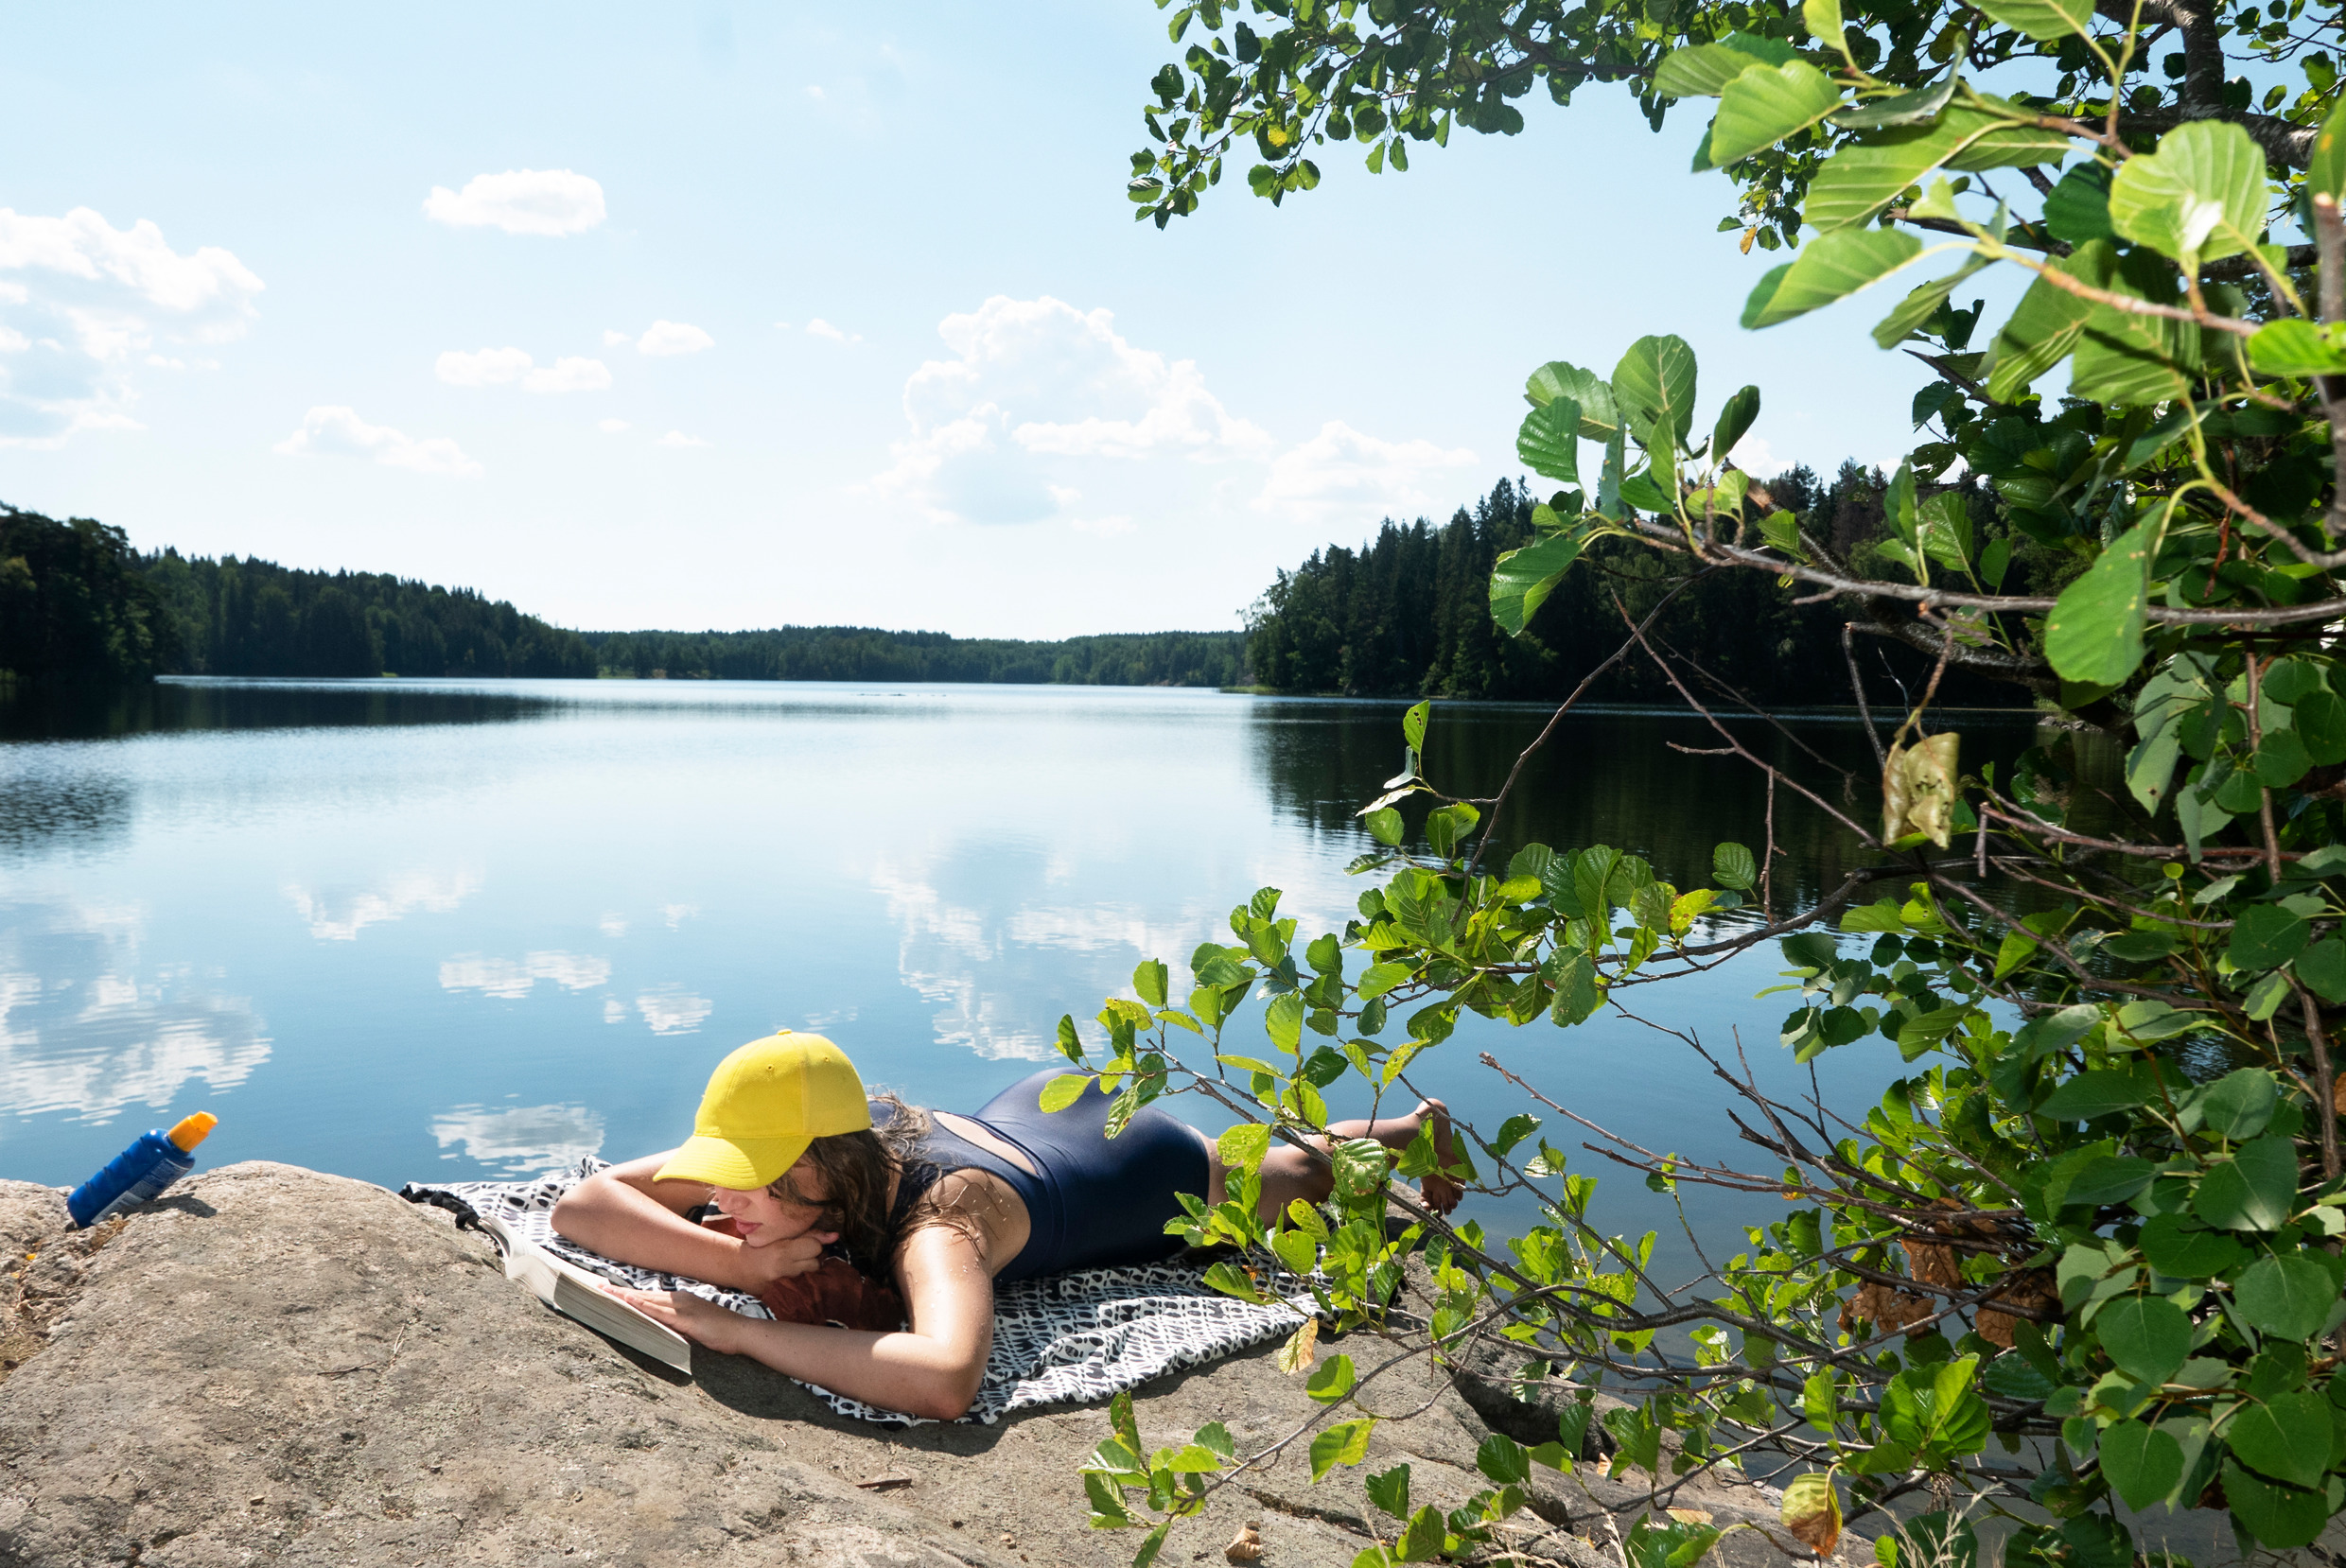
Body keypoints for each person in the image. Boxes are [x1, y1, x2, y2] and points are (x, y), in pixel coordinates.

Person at [550, 1029, 1460, 1420]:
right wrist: (735, 1264)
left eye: (740, 1185)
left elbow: (947, 1377)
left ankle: (1416, 1127)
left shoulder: (941, 1229)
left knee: (1285, 1173)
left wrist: (730, 1332)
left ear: (812, 1170)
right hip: (1021, 1113)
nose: (719, 1198)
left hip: (1129, 1161)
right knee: (1270, 1155)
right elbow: (581, 1204)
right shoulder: (818, 1148)